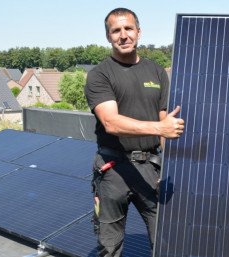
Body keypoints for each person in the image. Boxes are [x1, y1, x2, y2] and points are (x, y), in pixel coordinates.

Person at [85, 7, 184, 257]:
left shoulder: (157, 72)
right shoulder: (99, 75)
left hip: (151, 169)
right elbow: (111, 122)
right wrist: (160, 127)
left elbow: (166, 121)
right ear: (108, 37)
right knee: (110, 246)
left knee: (165, 241)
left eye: (128, 28)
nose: (123, 35)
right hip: (113, 169)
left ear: (138, 32)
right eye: (115, 30)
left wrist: (170, 169)